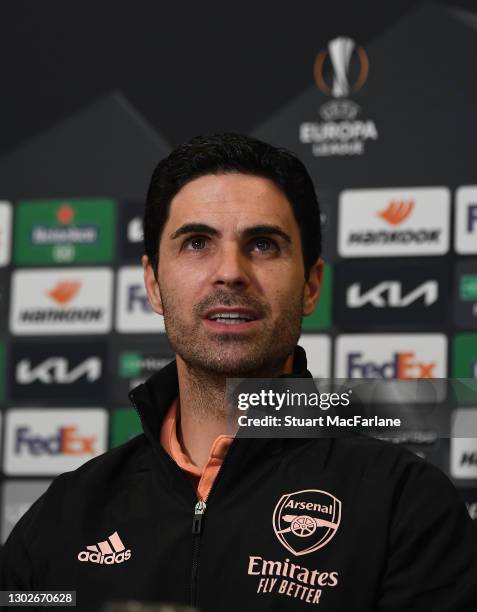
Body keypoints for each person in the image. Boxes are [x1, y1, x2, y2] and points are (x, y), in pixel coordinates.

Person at [1, 133, 477, 611]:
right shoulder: (67, 512)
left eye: (264, 244)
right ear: (153, 284)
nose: (230, 271)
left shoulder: (404, 504)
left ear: (311, 286)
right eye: (197, 243)